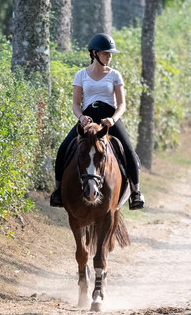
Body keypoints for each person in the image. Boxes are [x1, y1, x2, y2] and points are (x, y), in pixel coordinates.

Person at [50, 33, 145, 210]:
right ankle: (57, 191)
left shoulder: (115, 75)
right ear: (94, 53)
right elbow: (76, 105)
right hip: (88, 118)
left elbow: (122, 104)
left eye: (110, 54)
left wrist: (113, 119)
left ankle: (136, 192)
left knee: (129, 151)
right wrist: (81, 117)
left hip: (109, 119)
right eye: (105, 53)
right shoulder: (80, 75)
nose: (109, 56)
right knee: (63, 148)